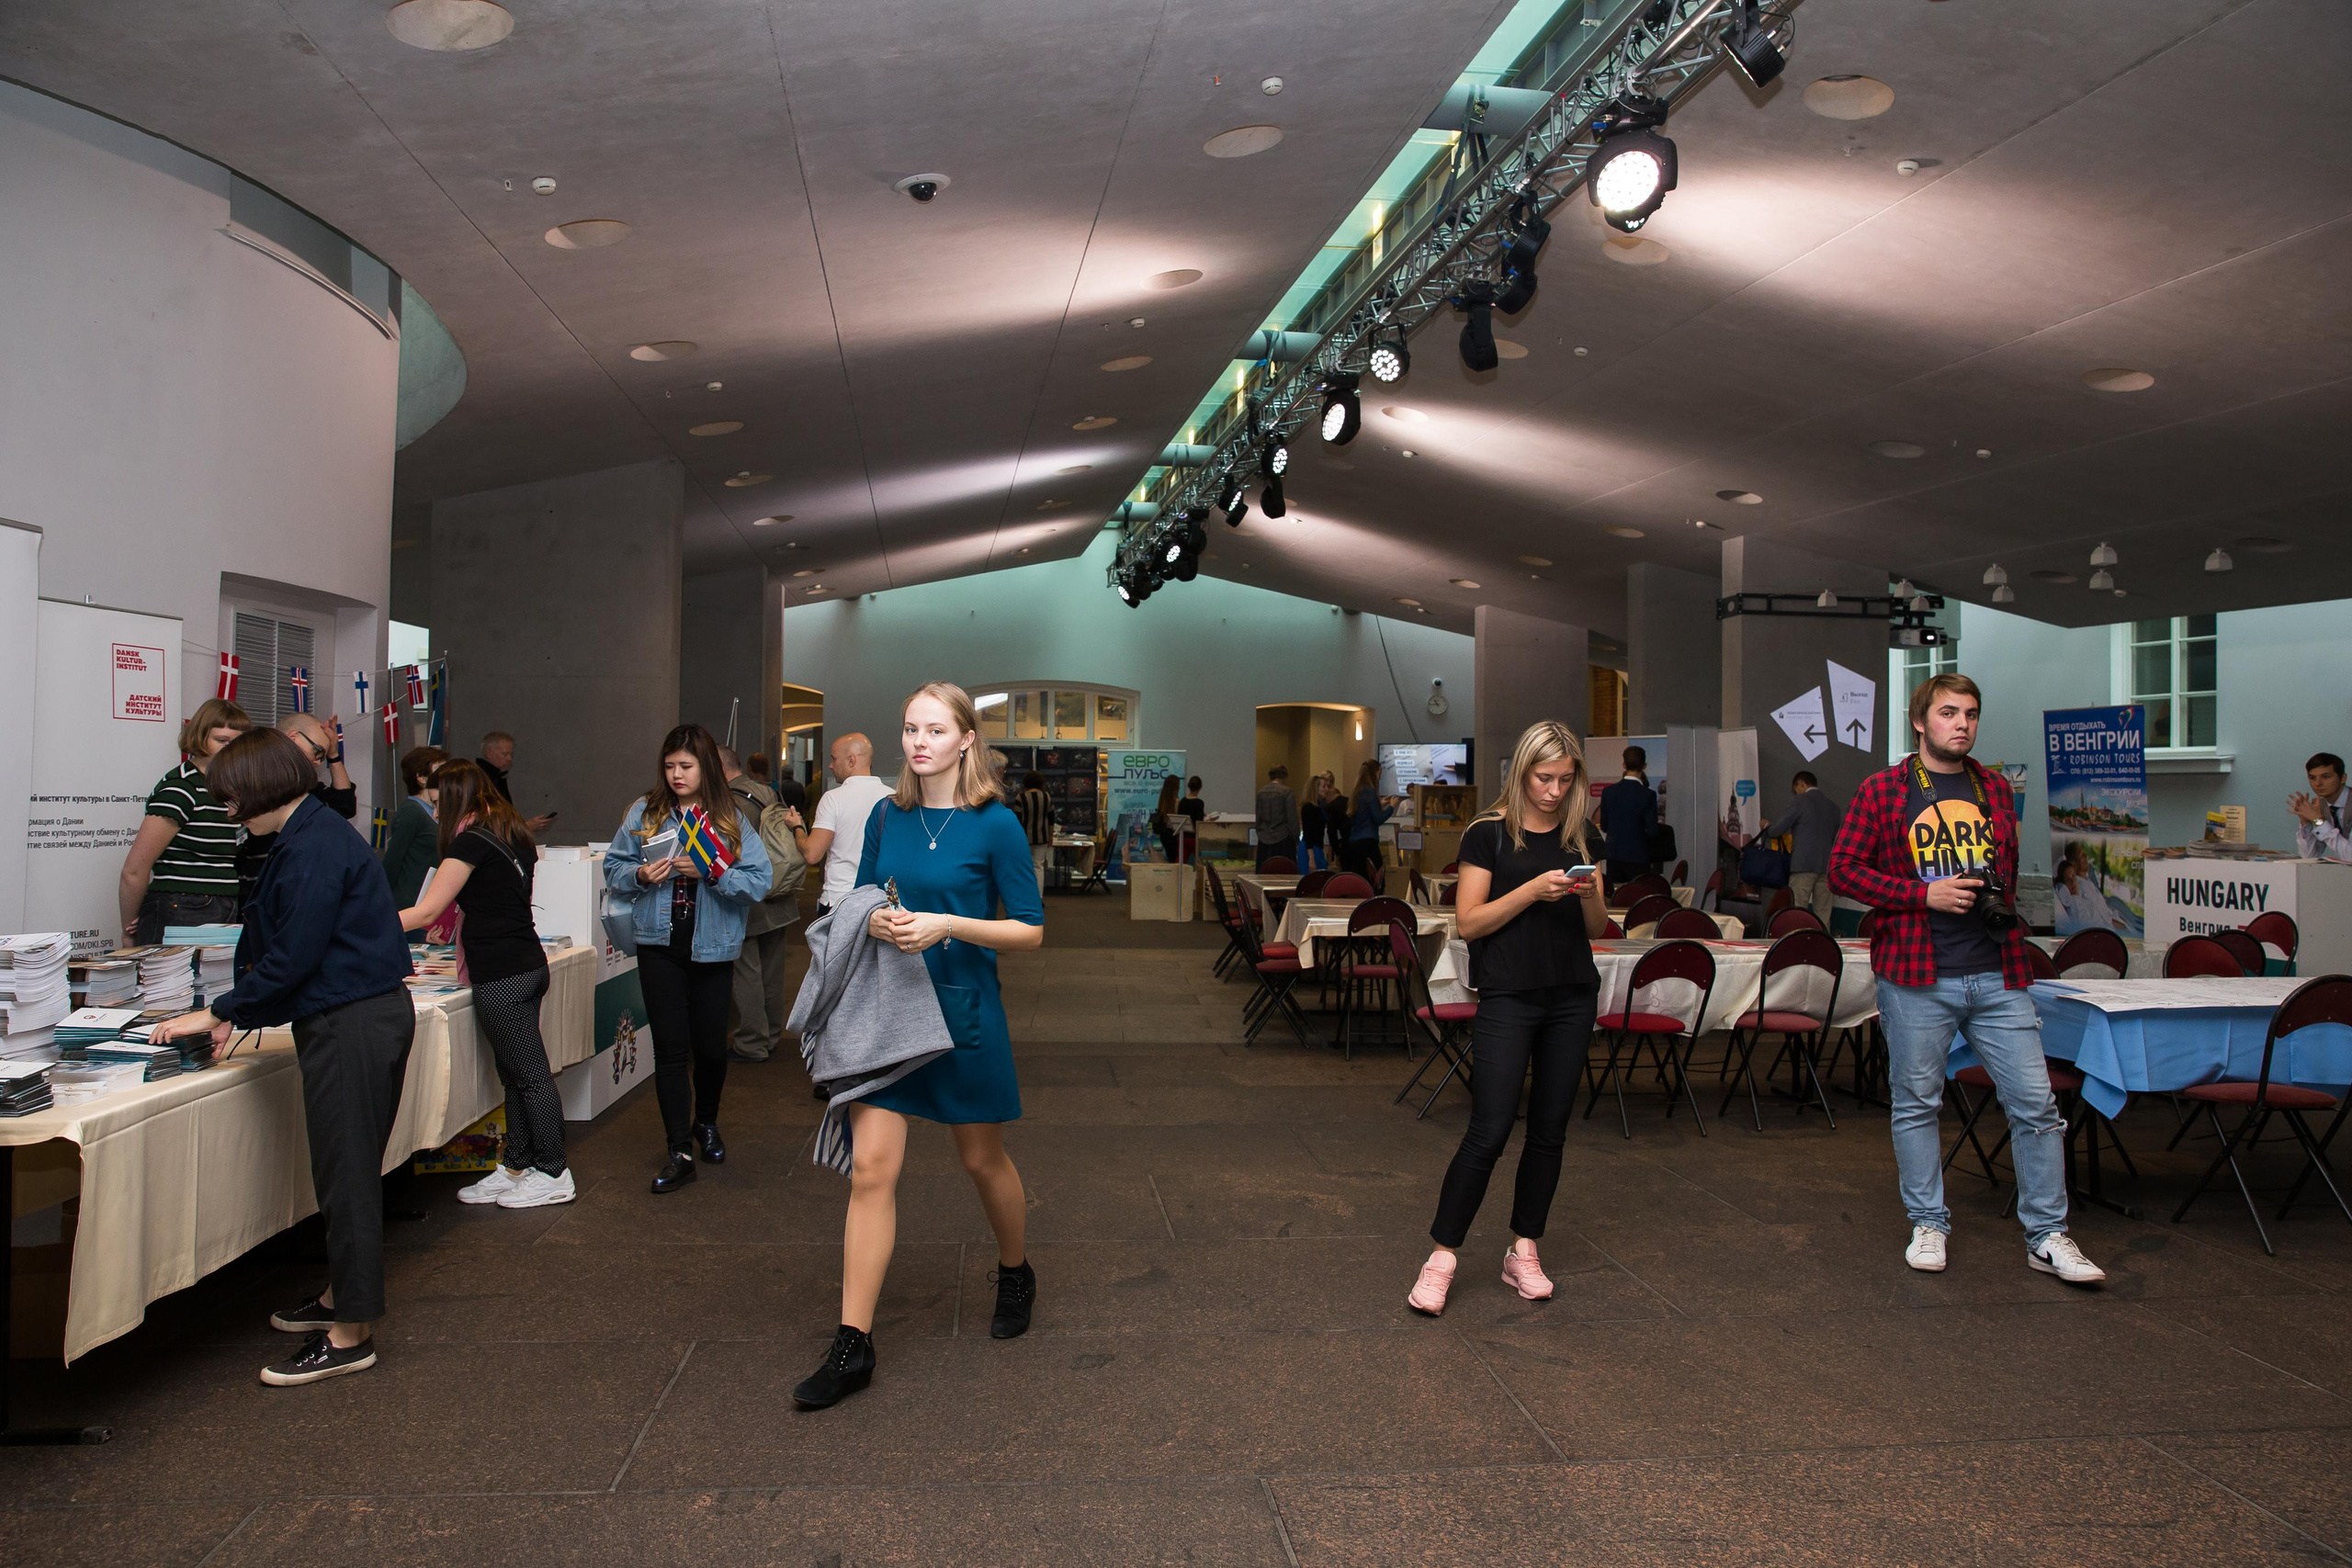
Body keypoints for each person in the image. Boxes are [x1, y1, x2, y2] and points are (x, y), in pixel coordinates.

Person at [792, 682, 1046, 1411]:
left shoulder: (994, 823)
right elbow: (867, 894)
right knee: (871, 1167)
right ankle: (853, 1341)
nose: (919, 741)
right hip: (890, 1009)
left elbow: (1029, 928)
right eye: (909, 728)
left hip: (964, 1011)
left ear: (967, 738)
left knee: (981, 1157)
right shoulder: (884, 814)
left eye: (935, 729)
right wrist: (872, 922)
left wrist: (947, 924)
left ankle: (1016, 1268)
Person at [153, 729, 415, 1386]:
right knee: (343, 1170)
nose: (224, 806)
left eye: (227, 794)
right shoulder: (307, 835)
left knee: (347, 1175)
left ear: (253, 789)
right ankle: (337, 1298)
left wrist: (220, 1010)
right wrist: (236, 1011)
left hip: (350, 1020)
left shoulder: (311, 846)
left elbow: (294, 953)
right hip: (351, 1013)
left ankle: (352, 1332)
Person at [1828, 672, 2105, 1286]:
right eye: (1949, 712)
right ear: (1920, 721)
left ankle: (2048, 1234)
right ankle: (1928, 1222)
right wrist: (1920, 893)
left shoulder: (1996, 788)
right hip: (1917, 972)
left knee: (2036, 1105)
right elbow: (1843, 869)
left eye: (1972, 713)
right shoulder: (1884, 789)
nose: (1962, 723)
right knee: (1918, 1103)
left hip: (1999, 969)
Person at [1407, 721, 1607, 1315]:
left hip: (1571, 994)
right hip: (1509, 996)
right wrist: (1531, 892)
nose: (1554, 790)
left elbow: (1596, 928)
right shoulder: (1488, 832)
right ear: (1521, 772)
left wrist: (1589, 889)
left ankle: (1524, 1248)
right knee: (1489, 1129)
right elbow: (1467, 922)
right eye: (1545, 777)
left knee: (1549, 1130)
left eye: (1566, 779)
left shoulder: (1585, 833)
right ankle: (1442, 1256)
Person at [604, 725, 774, 1193]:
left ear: (707, 768)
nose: (676, 775)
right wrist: (640, 872)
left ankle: (707, 1122)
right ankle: (679, 1149)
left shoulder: (730, 818)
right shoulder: (646, 813)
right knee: (670, 1051)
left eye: (686, 766)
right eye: (669, 766)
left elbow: (759, 883)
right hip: (659, 944)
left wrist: (712, 873)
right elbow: (614, 868)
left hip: (713, 946)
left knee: (711, 1048)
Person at [396, 760, 572, 1208]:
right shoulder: (511, 834)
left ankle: (553, 1171)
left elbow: (426, 912)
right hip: (524, 963)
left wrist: (356, 926)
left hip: (502, 972)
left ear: (457, 798)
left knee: (528, 1076)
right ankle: (517, 1165)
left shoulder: (470, 844)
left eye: (439, 804)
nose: (435, 816)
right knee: (515, 1075)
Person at [120, 696, 252, 943]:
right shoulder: (182, 787)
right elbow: (134, 871)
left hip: (227, 904)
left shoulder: (233, 789)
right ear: (200, 737)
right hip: (181, 905)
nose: (231, 748)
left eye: (238, 742)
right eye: (222, 741)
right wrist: (129, 931)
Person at [720, 745, 807, 1065]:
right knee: (772, 972)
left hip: (750, 898)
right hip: (780, 894)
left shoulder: (726, 801)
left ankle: (751, 1042)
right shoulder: (768, 792)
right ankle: (770, 1036)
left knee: (746, 973)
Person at [235, 713, 359, 904]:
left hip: (289, 879)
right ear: (293, 737)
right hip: (251, 883)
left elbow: (344, 806)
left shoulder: (305, 787)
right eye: (317, 751)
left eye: (322, 757)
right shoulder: (250, 770)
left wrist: (333, 755)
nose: (318, 761)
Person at [797, 732, 895, 919]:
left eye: (834, 759)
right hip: (880, 901)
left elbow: (812, 854)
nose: (830, 766)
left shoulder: (833, 799)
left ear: (851, 760)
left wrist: (797, 828)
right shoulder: (893, 798)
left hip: (839, 899)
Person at [1762, 771, 1844, 929]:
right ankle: (1823, 947)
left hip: (1803, 865)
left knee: (1797, 911)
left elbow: (1776, 830)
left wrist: (1766, 826)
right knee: (1823, 915)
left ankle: (1796, 945)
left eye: (1796, 789)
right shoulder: (1833, 807)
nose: (1796, 793)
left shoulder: (1799, 802)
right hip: (1827, 867)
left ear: (1801, 784)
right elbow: (1837, 840)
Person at [378, 746, 448, 909]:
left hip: (430, 901)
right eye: (440, 770)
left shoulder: (440, 810)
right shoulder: (411, 812)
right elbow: (393, 861)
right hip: (410, 902)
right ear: (422, 778)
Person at [1598, 747, 1659, 889]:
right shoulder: (1648, 795)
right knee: (1637, 896)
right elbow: (1652, 831)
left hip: (1614, 855)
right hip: (1639, 857)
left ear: (1624, 765)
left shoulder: (1608, 792)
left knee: (1614, 898)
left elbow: (1605, 826)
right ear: (1644, 766)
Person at [476, 730, 554, 835]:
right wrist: (525, 826)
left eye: (511, 754)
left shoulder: (496, 777)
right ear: (490, 753)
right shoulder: (480, 780)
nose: (509, 759)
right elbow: (491, 822)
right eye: (505, 754)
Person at [2052, 841, 2124, 934]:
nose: (2073, 882)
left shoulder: (2084, 892)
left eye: (2073, 876)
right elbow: (2094, 923)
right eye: (2081, 855)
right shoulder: (2076, 902)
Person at [2290, 751, 2350, 862]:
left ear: (2343, 778)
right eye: (2312, 778)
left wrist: (2318, 821)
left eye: (2326, 777)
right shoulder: (2320, 806)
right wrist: (2306, 823)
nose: (2318, 783)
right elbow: (2309, 858)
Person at [1344, 759, 1396, 883]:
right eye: (1379, 774)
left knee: (1359, 881)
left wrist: (1380, 804)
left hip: (1355, 843)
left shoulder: (1358, 791)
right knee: (1376, 880)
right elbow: (1378, 819)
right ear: (1374, 773)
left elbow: (1363, 813)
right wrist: (1392, 807)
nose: (1379, 778)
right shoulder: (1370, 791)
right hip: (1368, 843)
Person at [1014, 769, 1056, 889]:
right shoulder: (1046, 797)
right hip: (1042, 837)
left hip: (1024, 838)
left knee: (1025, 867)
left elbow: (1018, 820)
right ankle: (1039, 897)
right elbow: (1051, 819)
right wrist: (1051, 837)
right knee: (1038, 866)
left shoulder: (1020, 798)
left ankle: (1027, 895)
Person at [1254, 765, 1299, 870]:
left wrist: (1261, 834)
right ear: (1284, 777)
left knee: (1264, 874)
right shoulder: (1287, 792)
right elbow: (1292, 819)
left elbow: (1258, 819)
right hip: (1283, 841)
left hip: (1264, 841)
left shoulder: (1261, 792)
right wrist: (1296, 840)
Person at [1299, 777, 1330, 873]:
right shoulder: (1309, 808)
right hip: (1310, 849)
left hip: (1317, 848)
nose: (1327, 789)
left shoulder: (1320, 807)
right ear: (1315, 789)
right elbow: (1308, 833)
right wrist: (1311, 858)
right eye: (1323, 786)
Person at [1153, 775, 1183, 863]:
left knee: (1169, 858)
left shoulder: (1163, 799)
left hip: (1164, 835)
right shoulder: (1176, 801)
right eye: (1178, 786)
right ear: (1175, 788)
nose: (1180, 788)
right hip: (1173, 835)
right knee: (1175, 861)